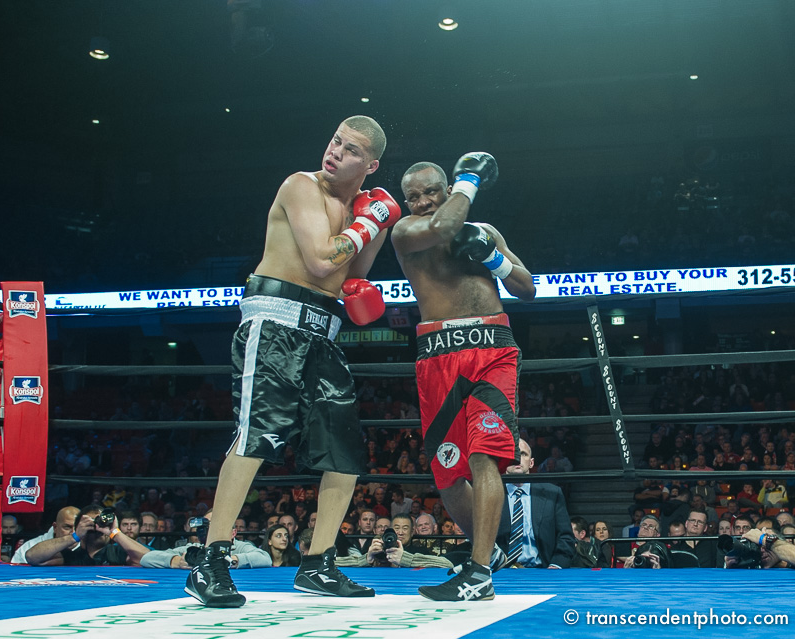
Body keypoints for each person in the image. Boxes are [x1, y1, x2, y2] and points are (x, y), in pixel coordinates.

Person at [185, 116, 399, 608]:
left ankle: (318, 564)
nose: (335, 151)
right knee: (256, 438)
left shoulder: (363, 208)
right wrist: (369, 224)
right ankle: (210, 563)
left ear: (370, 165)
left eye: (351, 150)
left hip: (324, 332)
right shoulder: (301, 186)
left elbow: (354, 272)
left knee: (344, 452)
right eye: (335, 141)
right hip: (275, 323)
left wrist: (376, 224)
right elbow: (322, 260)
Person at [391, 154, 535, 601]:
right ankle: (488, 552)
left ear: (446, 188)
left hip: (493, 349)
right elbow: (443, 227)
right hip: (439, 356)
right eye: (412, 196)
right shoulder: (406, 233)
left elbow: (527, 288)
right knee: (448, 473)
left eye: (430, 191)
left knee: (483, 456)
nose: (421, 201)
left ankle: (478, 572)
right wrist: (469, 182)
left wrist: (493, 259)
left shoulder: (485, 231)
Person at [496, 440, 576, 570]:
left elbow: (566, 536)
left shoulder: (552, 493)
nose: (517, 458)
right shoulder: (490, 495)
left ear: (531, 462)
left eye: (523, 454)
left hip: (543, 570)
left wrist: (556, 565)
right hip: (501, 571)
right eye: (512, 453)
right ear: (503, 461)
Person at [26, 504, 150, 566]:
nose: (96, 526)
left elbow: (149, 559)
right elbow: (32, 556)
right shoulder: (71, 556)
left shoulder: (118, 552)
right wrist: (75, 536)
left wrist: (115, 532)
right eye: (90, 522)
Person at [142, 510, 271, 570]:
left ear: (233, 533)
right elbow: (147, 558)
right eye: (207, 526)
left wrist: (228, 560)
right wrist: (176, 561)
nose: (211, 530)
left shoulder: (240, 547)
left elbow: (265, 558)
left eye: (216, 525)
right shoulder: (195, 548)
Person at [10, 506, 79, 565]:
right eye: (67, 527)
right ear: (55, 527)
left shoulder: (85, 547)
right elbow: (14, 573)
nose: (73, 533)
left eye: (77, 527)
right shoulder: (27, 547)